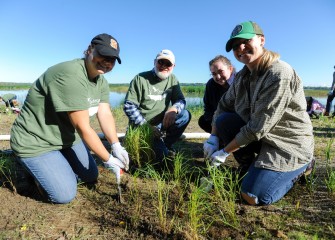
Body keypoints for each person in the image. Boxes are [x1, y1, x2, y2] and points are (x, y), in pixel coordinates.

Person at [203, 21, 315, 205]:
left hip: (287, 144)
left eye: (246, 41)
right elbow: (223, 105)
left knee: (253, 196)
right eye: (235, 45)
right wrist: (213, 137)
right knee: (224, 121)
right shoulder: (242, 77)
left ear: (261, 40)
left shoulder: (279, 74)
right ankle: (249, 167)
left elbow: (256, 128)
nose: (240, 47)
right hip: (264, 139)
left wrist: (224, 151)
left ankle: (304, 166)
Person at [10, 33, 129, 204]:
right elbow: (82, 127)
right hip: (36, 141)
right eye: (103, 54)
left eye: (112, 59)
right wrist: (108, 159)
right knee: (64, 194)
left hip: (65, 138)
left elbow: (105, 113)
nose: (107, 62)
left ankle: (55, 166)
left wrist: (116, 146)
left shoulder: (101, 82)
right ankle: (31, 170)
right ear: (90, 50)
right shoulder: (71, 75)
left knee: (90, 175)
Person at [124, 49, 191, 162]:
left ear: (173, 66)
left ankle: (166, 143)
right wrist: (147, 127)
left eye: (168, 63)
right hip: (141, 127)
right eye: (161, 62)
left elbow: (181, 100)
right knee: (161, 157)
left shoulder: (173, 80)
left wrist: (174, 109)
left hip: (161, 125)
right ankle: (158, 146)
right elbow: (129, 106)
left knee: (185, 115)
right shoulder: (140, 78)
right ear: (154, 62)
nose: (164, 66)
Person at [198, 55, 235, 133]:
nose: (218, 77)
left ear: (230, 69)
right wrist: (213, 121)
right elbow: (207, 107)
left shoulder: (239, 81)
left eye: (221, 71)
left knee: (224, 121)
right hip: (217, 117)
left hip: (236, 118)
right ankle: (218, 139)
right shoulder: (211, 84)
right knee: (203, 121)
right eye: (214, 74)